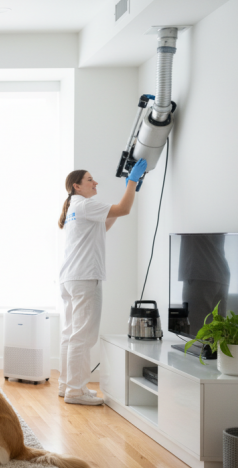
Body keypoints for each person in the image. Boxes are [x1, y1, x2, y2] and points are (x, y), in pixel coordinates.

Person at [57, 160, 146, 405]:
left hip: (70, 278)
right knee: (83, 337)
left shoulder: (75, 208)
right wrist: (132, 182)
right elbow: (125, 209)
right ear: (76, 186)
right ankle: (76, 390)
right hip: (85, 277)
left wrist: (124, 196)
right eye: (89, 180)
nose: (95, 182)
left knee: (70, 334)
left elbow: (104, 225)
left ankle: (66, 385)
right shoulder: (85, 205)